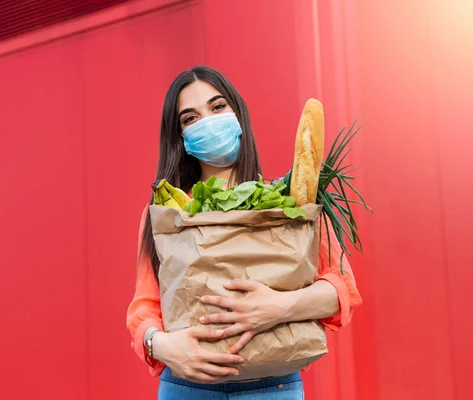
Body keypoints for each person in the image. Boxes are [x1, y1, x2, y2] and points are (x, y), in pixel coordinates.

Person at [126, 66, 362, 399]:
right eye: (190, 118)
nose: (208, 121)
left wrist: (280, 306)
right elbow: (144, 308)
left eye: (217, 107)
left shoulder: (288, 200)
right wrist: (162, 344)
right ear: (179, 137)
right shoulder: (169, 213)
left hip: (273, 387)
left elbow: (340, 290)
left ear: (238, 113)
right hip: (187, 387)